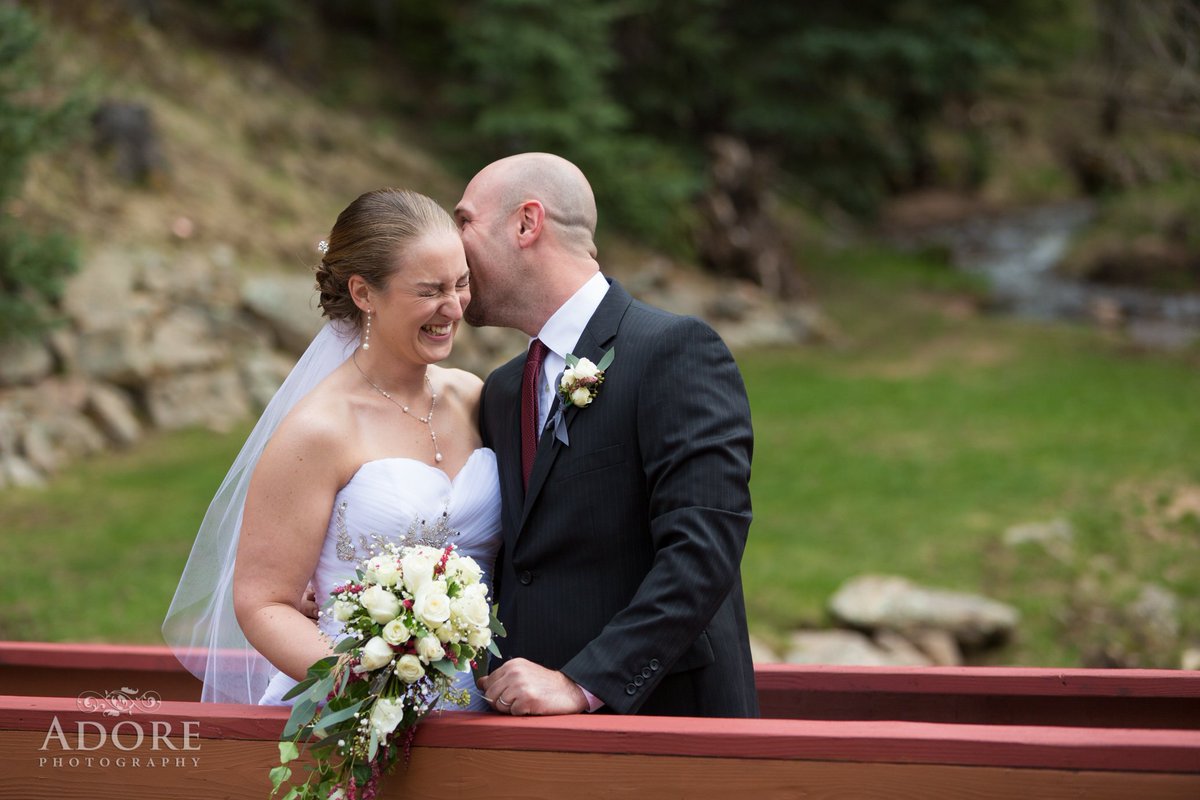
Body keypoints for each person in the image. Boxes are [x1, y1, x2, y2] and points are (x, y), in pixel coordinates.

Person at [163, 189, 502, 708]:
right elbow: (263, 602)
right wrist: (368, 687)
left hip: (485, 707)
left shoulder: (475, 398)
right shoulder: (317, 430)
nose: (454, 307)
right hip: (354, 711)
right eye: (430, 290)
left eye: (461, 283)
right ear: (364, 293)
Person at [456, 153, 758, 717]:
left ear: (527, 223)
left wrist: (583, 683)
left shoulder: (675, 352)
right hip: (521, 736)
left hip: (665, 731)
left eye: (464, 221)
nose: (452, 246)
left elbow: (704, 547)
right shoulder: (499, 394)